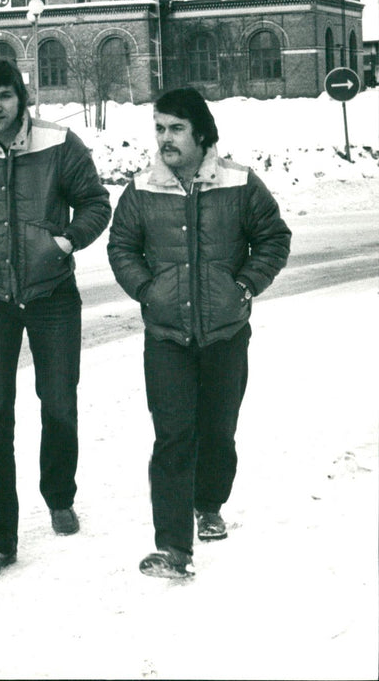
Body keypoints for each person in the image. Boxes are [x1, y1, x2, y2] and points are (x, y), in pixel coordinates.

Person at [0, 58, 111, 581]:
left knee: (58, 402)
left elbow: (94, 203)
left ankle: (58, 496)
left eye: (4, 96)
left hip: (53, 293)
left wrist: (64, 241)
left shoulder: (58, 143)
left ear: (21, 96)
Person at [107, 87, 291, 579]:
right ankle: (172, 547)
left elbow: (273, 238)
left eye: (176, 128)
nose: (165, 138)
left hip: (226, 332)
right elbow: (122, 245)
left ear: (201, 133)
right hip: (166, 334)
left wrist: (245, 286)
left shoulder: (239, 182)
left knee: (217, 428)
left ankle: (208, 502)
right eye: (159, 128)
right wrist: (148, 290)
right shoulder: (143, 187)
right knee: (172, 435)